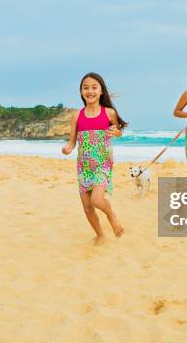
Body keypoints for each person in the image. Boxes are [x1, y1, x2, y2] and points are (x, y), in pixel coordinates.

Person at [62, 72, 127, 245]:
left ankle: (111, 215)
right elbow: (72, 142)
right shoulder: (77, 115)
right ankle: (100, 235)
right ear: (81, 91)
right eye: (86, 87)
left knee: (97, 200)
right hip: (83, 166)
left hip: (102, 164)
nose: (89, 91)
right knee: (88, 208)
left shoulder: (109, 113)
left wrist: (117, 132)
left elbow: (118, 130)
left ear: (101, 91)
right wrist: (67, 149)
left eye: (94, 87)